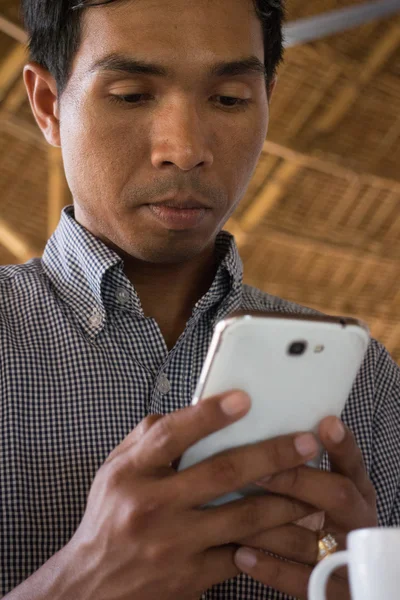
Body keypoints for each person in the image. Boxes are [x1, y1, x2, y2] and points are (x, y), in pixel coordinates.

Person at [1, 0, 399, 598]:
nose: (184, 149)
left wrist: (372, 588)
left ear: (268, 100)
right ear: (48, 104)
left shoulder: (364, 381)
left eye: (230, 98)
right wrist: (75, 583)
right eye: (133, 94)